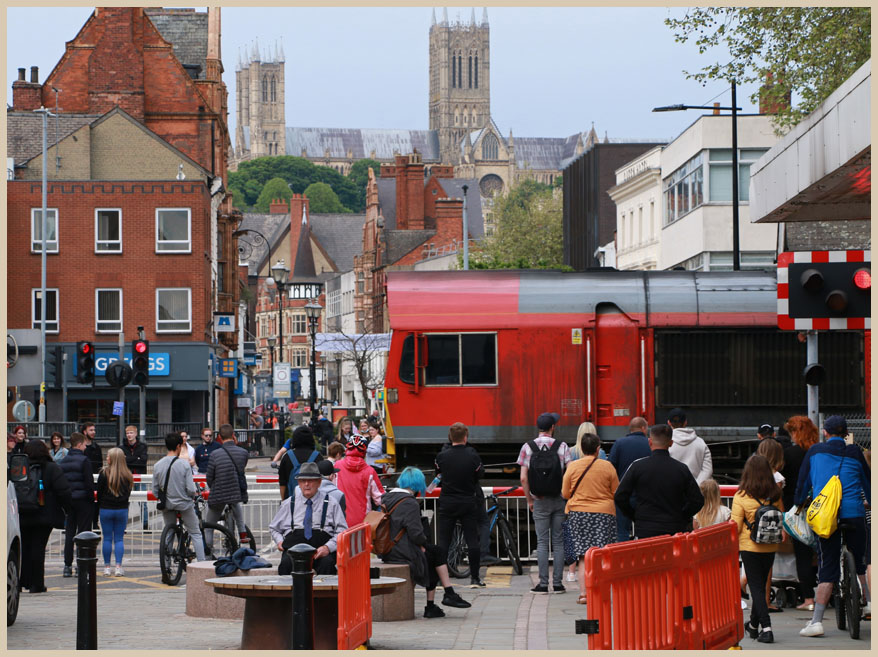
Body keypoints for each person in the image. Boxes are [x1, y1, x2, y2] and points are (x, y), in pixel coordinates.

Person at [794, 415, 871, 638]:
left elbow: (803, 483)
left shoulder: (815, 452)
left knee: (828, 566)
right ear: (846, 434)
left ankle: (816, 622)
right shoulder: (856, 452)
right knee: (860, 561)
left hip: (826, 517)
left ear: (825, 433)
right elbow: (868, 484)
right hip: (854, 513)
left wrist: (799, 504)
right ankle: (867, 603)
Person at [379, 467, 473, 617]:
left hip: (388, 549)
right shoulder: (409, 503)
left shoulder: (387, 497)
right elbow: (416, 534)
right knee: (437, 553)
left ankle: (437, 602)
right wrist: (422, 544)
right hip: (402, 550)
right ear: (417, 485)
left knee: (432, 555)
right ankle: (444, 596)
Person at [614, 424, 704, 539]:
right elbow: (697, 500)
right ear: (671, 443)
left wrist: (635, 516)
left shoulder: (637, 467)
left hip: (645, 529)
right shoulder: (681, 469)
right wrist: (682, 516)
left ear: (650, 442)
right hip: (674, 530)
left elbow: (620, 496)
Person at [562, 432, 618, 605]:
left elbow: (565, 493)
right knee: (601, 554)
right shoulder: (607, 466)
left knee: (583, 556)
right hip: (604, 514)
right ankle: (600, 593)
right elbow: (616, 491)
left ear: (581, 448)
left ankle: (584, 594)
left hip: (578, 513)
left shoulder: (573, 467)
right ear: (597, 449)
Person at [518, 412, 570, 594]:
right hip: (558, 499)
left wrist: (530, 499)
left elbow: (524, 478)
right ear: (553, 427)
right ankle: (558, 584)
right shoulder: (562, 446)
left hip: (539, 500)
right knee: (558, 541)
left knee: (542, 542)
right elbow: (569, 475)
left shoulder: (528, 447)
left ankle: (542, 584)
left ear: (538, 427)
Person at [732, 454, 782, 644]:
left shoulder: (741, 496)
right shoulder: (775, 494)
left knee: (756, 589)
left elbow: (735, 526)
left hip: (749, 546)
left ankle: (767, 629)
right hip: (770, 545)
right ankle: (753, 626)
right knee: (760, 585)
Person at [268, 461, 349, 575]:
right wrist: (280, 541)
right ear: (298, 483)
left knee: (327, 565)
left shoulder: (331, 503)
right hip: (294, 550)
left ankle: (326, 592)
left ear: (319, 482)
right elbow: (274, 528)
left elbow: (342, 531)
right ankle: (289, 593)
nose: (306, 484)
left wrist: (328, 547)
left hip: (322, 549)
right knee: (285, 565)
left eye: (311, 480)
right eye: (302, 481)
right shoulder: (289, 503)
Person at [435, 422, 485, 588]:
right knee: (472, 540)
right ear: (466, 437)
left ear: (450, 437)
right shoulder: (472, 455)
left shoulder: (442, 456)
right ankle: (475, 578)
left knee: (444, 541)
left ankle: (441, 578)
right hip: (467, 501)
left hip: (447, 501)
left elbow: (438, 474)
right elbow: (479, 475)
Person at [18, 440, 72, 593]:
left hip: (22, 513)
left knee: (24, 548)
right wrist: (67, 509)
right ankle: (36, 584)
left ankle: (21, 582)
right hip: (44, 516)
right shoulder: (52, 467)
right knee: (38, 549)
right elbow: (64, 491)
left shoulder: (21, 467)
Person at [152, 433, 206, 562]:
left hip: (167, 505)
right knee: (195, 533)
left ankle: (167, 565)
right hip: (184, 504)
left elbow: (155, 491)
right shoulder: (184, 464)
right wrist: (193, 496)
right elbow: (190, 489)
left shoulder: (157, 465)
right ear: (178, 446)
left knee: (169, 532)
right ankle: (202, 564)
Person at [783, 416, 818, 610]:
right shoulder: (818, 451)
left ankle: (808, 598)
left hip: (797, 509)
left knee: (802, 552)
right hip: (821, 506)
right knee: (820, 552)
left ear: (796, 432)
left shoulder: (789, 454)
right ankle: (825, 593)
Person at [205, 424, 250, 551]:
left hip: (218, 494)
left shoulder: (215, 454)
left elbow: (209, 477)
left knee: (209, 526)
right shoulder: (243, 453)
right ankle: (242, 533)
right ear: (233, 435)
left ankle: (208, 550)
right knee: (236, 504)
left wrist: (213, 486)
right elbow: (241, 469)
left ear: (219, 437)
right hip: (235, 493)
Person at [607, 416, 651, 542]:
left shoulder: (619, 443)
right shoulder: (650, 444)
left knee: (622, 531)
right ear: (643, 428)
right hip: (645, 495)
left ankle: (624, 559)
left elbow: (610, 467)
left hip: (624, 494)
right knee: (645, 531)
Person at [58, 433, 96, 577]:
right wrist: (92, 499)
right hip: (84, 501)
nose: (86, 447)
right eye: (85, 445)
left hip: (70, 501)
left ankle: (67, 566)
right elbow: (88, 483)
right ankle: (81, 565)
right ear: (79, 445)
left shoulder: (64, 461)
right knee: (84, 534)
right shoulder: (84, 460)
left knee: (70, 534)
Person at [97, 447, 133, 576]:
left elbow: (99, 493)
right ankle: (118, 566)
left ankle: (107, 567)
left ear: (112, 459)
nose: (106, 458)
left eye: (108, 456)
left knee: (106, 539)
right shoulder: (127, 475)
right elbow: (128, 493)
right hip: (121, 509)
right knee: (119, 539)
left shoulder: (103, 473)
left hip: (106, 509)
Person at [335, 435, 384, 527]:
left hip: (339, 520)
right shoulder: (370, 471)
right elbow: (380, 499)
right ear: (364, 452)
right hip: (363, 523)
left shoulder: (337, 467)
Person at [666, 408, 713, 485]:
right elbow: (707, 470)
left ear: (669, 423)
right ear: (685, 422)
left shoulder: (665, 443)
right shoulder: (700, 442)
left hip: (673, 490)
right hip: (695, 492)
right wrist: (695, 488)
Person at [278, 426, 324, 499]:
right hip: (315, 502)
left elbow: (282, 483)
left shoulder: (287, 457)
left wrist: (283, 501)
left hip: (292, 502)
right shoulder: (318, 456)